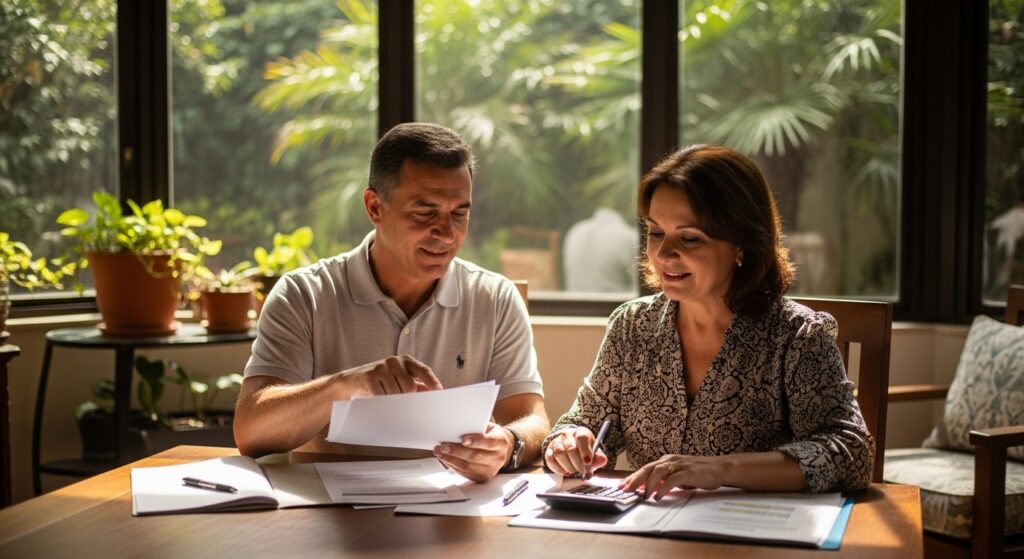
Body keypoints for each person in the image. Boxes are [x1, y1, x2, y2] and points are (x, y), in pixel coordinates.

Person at [543, 144, 874, 498]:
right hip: (645, 536)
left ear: (742, 245)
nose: (664, 254)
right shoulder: (632, 326)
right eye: (656, 233)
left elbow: (851, 453)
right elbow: (582, 423)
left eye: (690, 238)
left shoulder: (797, 336)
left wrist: (721, 469)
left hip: (750, 539)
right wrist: (566, 442)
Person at [234, 122, 550, 483]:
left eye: (459, 213)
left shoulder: (495, 298)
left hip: (453, 515)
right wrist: (344, 386)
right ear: (374, 207)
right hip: (330, 515)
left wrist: (509, 443)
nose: (446, 233)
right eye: (424, 212)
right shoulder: (304, 294)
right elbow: (250, 433)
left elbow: (533, 419)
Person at [562, 207, 638, 293]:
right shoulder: (627, 236)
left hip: (574, 304)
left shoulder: (575, 231)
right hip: (612, 305)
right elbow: (640, 286)